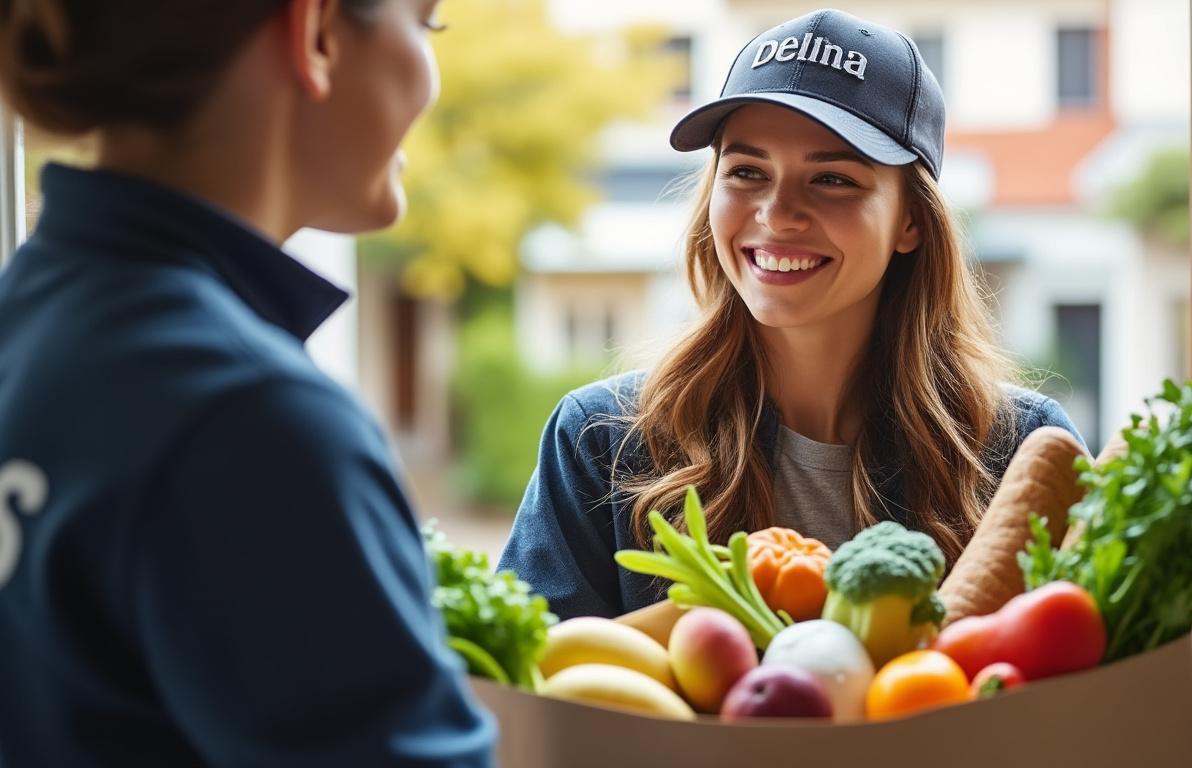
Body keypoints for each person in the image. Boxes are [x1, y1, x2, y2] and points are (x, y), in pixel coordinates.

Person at [0, 1, 494, 764]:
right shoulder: (250, 423)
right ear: (317, 32)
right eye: (428, 24)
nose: (432, 77)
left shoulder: (32, 319)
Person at [499, 8, 1088, 620]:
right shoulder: (602, 442)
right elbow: (527, 692)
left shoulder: (1016, 453)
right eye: (747, 172)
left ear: (910, 221)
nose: (777, 215)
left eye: (832, 179)